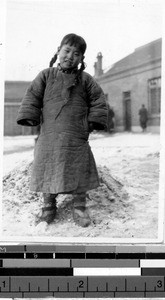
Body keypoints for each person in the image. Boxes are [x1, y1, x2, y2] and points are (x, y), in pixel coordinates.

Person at [16, 33, 107, 227]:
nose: (70, 56)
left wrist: (92, 122)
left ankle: (79, 206)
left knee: (79, 168)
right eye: (66, 51)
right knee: (46, 166)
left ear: (82, 59)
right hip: (49, 134)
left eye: (76, 54)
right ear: (58, 51)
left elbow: (98, 100)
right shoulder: (45, 75)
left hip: (76, 135)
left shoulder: (86, 80)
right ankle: (48, 205)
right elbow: (32, 96)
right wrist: (30, 116)